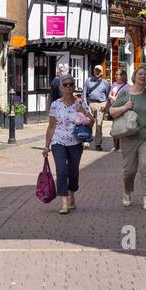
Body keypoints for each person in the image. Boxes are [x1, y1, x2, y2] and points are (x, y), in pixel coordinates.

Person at [109, 65, 146, 210]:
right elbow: (112, 112)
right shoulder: (125, 94)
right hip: (129, 137)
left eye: (145, 75)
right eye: (140, 74)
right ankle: (127, 192)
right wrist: (125, 107)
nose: (143, 76)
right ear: (134, 77)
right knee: (129, 170)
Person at [43, 75, 90, 215]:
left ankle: (72, 195)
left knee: (73, 172)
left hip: (75, 141)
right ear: (61, 88)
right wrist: (46, 146)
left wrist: (84, 115)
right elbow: (51, 126)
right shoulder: (55, 105)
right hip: (59, 141)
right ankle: (64, 203)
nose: (69, 87)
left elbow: (91, 121)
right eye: (66, 85)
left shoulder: (80, 103)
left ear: (74, 87)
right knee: (62, 170)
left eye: (71, 84)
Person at [84, 64, 110, 151]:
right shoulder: (88, 81)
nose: (97, 72)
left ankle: (98, 144)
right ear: (93, 71)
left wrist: (105, 104)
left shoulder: (105, 83)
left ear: (102, 72)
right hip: (90, 104)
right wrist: (85, 105)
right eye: (96, 70)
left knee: (99, 125)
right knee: (88, 124)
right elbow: (84, 94)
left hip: (100, 105)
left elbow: (108, 95)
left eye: (99, 71)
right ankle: (86, 142)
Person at [107, 66, 129, 151]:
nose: (115, 76)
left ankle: (122, 146)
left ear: (122, 76)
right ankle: (115, 146)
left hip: (122, 109)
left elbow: (128, 98)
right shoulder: (114, 84)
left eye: (117, 74)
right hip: (114, 108)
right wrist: (112, 97)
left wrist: (117, 99)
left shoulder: (127, 86)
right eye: (115, 74)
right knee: (114, 127)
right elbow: (109, 94)